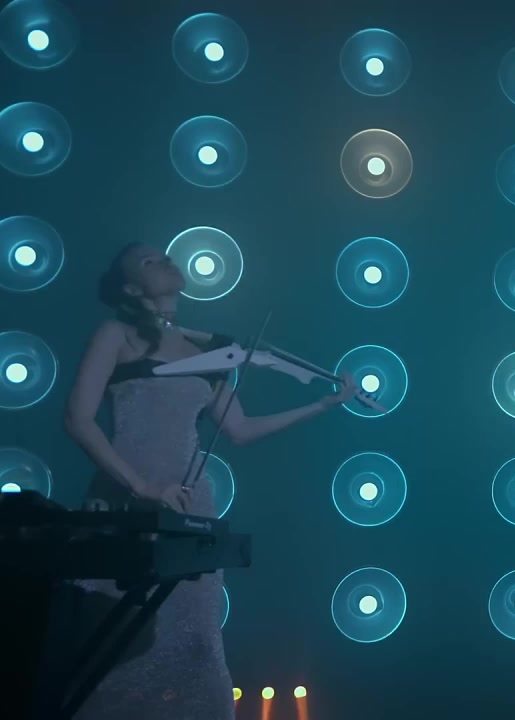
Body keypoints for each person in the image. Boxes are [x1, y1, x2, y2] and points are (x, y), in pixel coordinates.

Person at [61, 242, 356, 719]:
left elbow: (240, 429)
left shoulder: (207, 350)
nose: (164, 261)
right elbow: (78, 419)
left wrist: (323, 404)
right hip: (127, 497)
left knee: (196, 642)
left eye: (163, 255)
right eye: (149, 261)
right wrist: (141, 487)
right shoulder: (117, 334)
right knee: (116, 639)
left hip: (189, 503)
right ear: (131, 289)